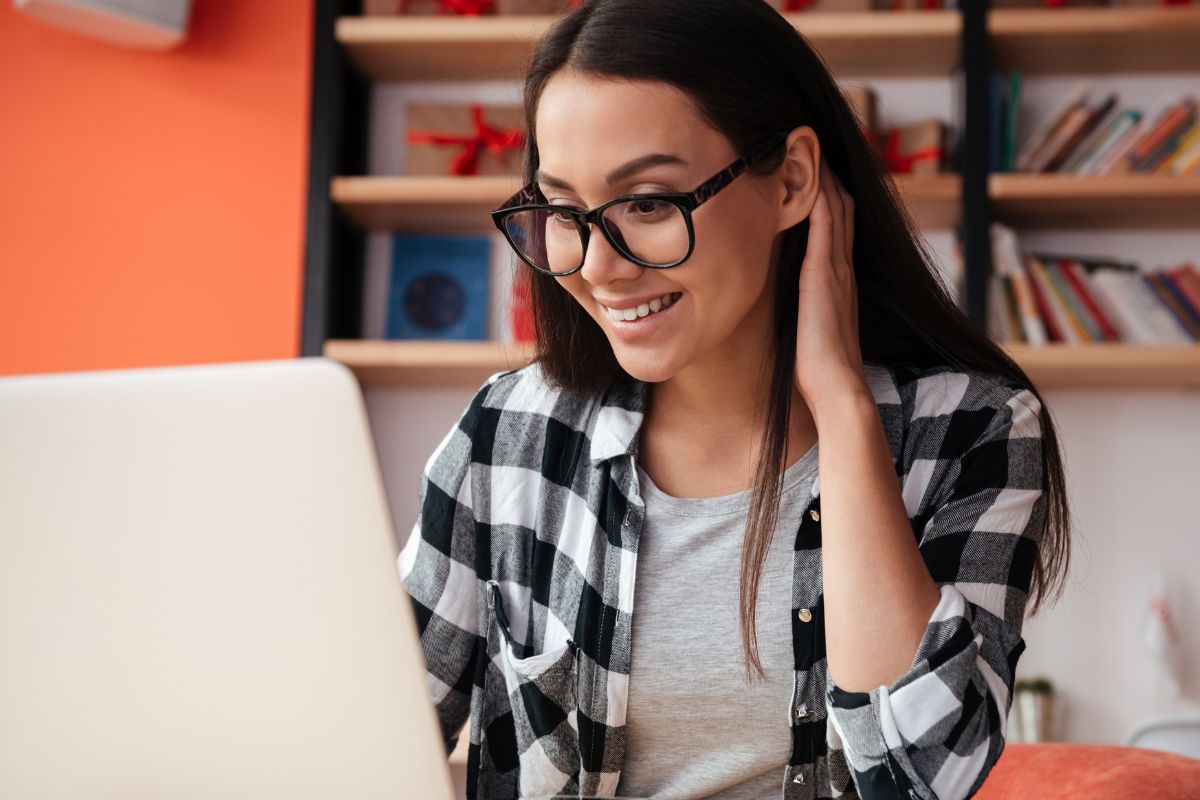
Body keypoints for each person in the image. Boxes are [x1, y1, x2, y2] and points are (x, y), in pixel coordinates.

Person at [397, 1, 1073, 798]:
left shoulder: (972, 431)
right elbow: (366, 734)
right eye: (563, 211)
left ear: (790, 180)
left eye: (647, 203)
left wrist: (844, 409)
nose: (599, 268)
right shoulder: (510, 433)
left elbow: (920, 777)